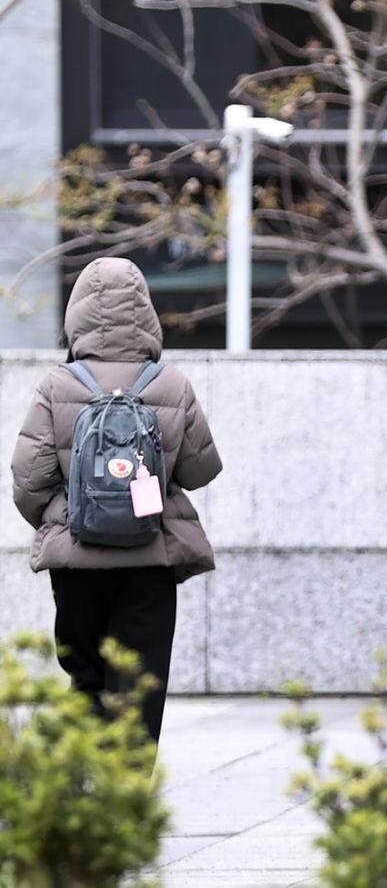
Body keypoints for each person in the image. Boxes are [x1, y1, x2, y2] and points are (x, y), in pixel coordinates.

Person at [10, 257, 222, 743]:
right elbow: (201, 470)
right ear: (146, 312)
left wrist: (63, 518)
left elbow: (28, 480)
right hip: (150, 561)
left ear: (76, 313)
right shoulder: (172, 384)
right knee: (140, 691)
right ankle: (128, 801)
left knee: (85, 682)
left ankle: (87, 799)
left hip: (77, 567)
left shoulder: (57, 385)